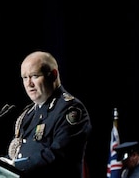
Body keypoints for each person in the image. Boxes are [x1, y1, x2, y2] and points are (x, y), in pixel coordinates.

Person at [6, 50, 92, 178]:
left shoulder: (70, 109)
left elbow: (58, 155)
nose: (29, 84)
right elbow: (17, 152)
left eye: (34, 76)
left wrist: (15, 166)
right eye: (25, 78)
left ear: (53, 75)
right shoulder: (28, 114)